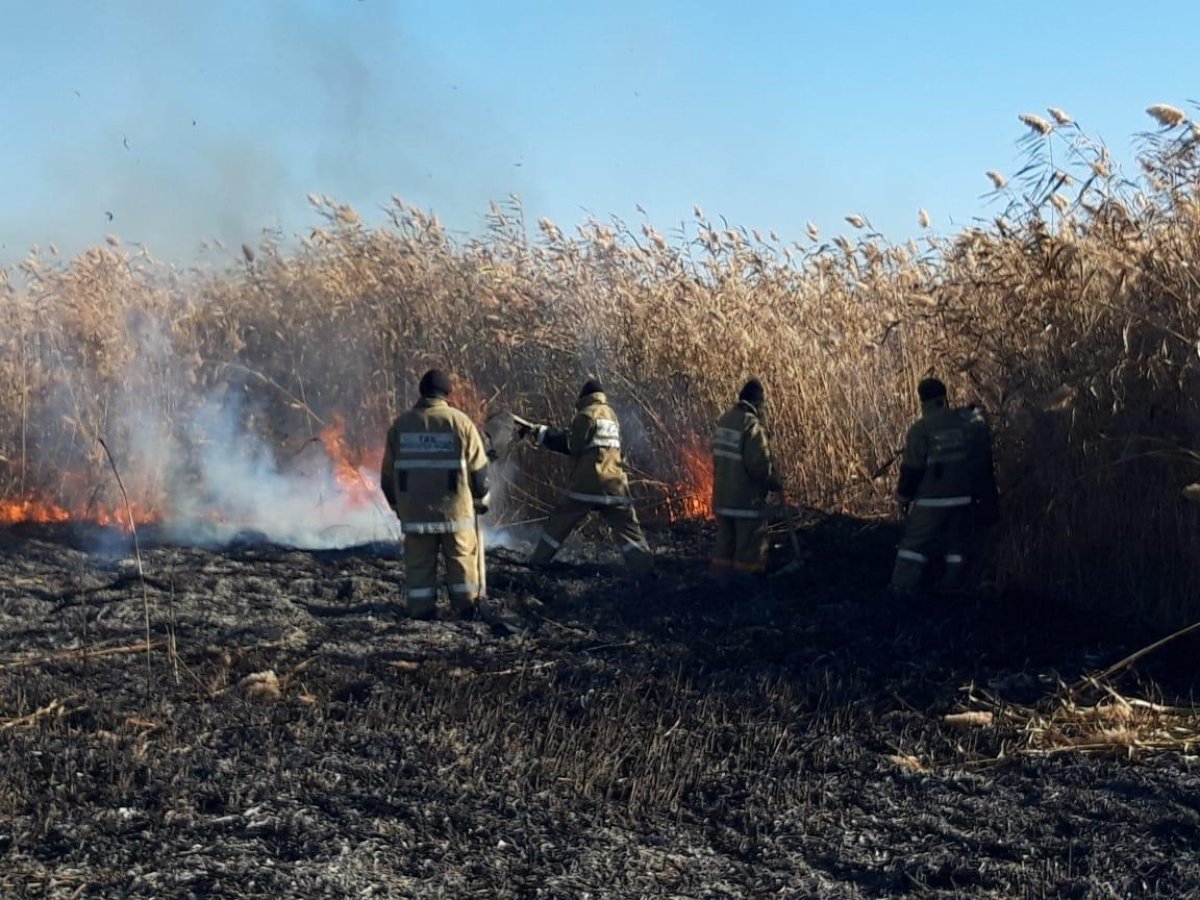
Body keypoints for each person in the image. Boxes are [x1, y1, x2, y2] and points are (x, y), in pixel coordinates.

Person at [380, 369, 491, 619]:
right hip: (455, 513)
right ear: (446, 394)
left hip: (415, 513)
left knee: (419, 566)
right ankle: (466, 609)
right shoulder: (460, 423)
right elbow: (480, 471)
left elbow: (387, 477)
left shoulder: (400, 426)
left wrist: (398, 506)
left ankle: (421, 612)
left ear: (422, 392)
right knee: (462, 560)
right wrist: (481, 498)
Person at [519, 378, 654, 573]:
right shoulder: (611, 415)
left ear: (584, 397)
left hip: (586, 485)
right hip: (614, 484)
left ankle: (538, 562)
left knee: (560, 521)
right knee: (628, 528)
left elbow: (572, 445)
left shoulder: (585, 415)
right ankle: (645, 568)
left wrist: (542, 435)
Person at [890, 377, 998, 594]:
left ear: (922, 400)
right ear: (944, 397)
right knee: (956, 546)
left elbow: (912, 470)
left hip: (932, 501)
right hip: (965, 498)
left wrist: (902, 498)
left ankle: (901, 588)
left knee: (913, 546)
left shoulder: (921, 429)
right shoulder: (965, 421)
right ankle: (953, 585)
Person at [710, 378, 782, 577]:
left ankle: (719, 583)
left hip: (722, 499)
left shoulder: (724, 420)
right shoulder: (752, 426)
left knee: (724, 546)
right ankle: (745, 585)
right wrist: (773, 481)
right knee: (750, 548)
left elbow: (717, 459)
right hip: (745, 502)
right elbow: (758, 466)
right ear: (758, 402)